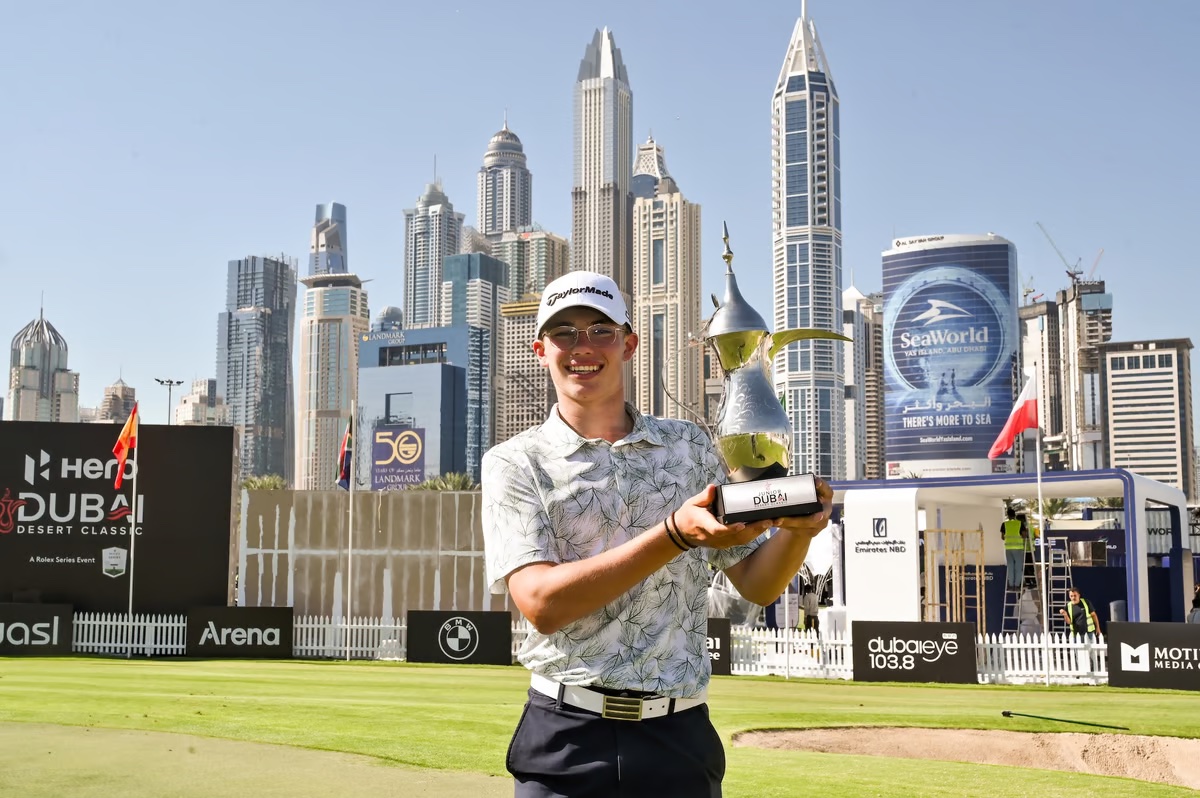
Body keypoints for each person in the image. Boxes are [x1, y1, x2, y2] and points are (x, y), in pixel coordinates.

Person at [482, 270, 832, 798]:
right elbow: (541, 604)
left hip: (678, 736)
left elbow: (758, 584)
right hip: (567, 733)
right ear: (541, 350)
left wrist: (801, 531)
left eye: (601, 330)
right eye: (564, 333)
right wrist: (675, 535)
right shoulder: (514, 461)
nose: (582, 347)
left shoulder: (689, 446)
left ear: (629, 344)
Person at [1001, 508, 1027, 589]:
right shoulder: (1019, 523)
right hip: (1018, 548)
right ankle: (1017, 585)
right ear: (1014, 515)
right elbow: (1024, 535)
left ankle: (1011, 584)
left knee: (1010, 566)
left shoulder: (1004, 524)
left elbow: (1002, 537)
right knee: (1018, 567)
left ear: (1008, 515)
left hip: (1008, 549)